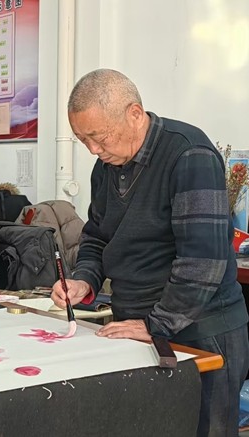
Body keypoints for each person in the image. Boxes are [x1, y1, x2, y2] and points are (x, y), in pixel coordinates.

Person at [52, 68, 249, 437]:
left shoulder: (189, 154)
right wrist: (84, 280)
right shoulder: (107, 165)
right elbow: (97, 235)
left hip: (199, 329)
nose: (93, 150)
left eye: (99, 137)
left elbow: (202, 263)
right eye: (83, 140)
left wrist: (155, 325)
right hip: (136, 325)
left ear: (134, 114)